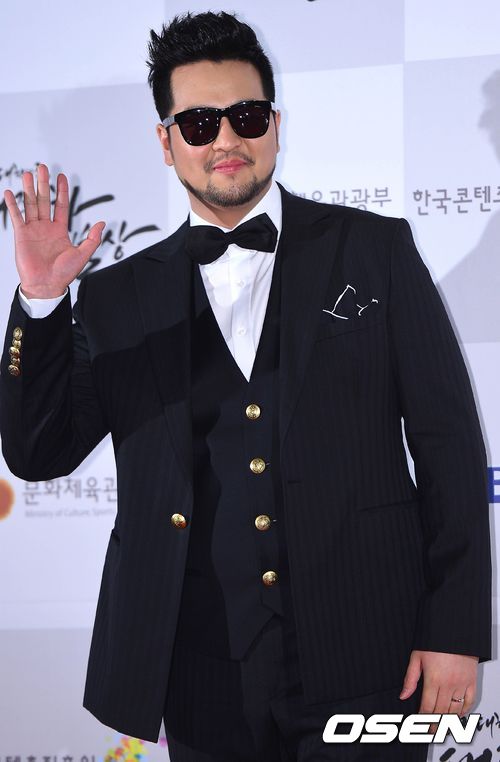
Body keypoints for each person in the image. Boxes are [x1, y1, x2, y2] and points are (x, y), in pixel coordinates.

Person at [0, 11, 492, 762]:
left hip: (371, 654)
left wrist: (454, 630)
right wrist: (40, 302)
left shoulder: (374, 249)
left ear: (276, 125)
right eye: (199, 123)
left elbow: (449, 446)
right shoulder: (117, 298)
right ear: (166, 142)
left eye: (247, 116)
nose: (226, 139)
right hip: (201, 667)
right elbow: (38, 454)